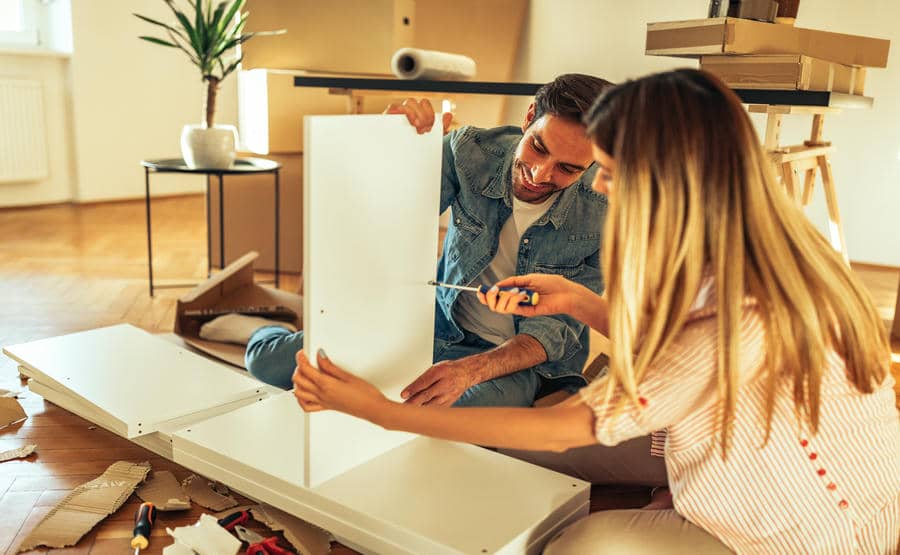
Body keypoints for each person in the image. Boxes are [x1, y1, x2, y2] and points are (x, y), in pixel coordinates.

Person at [292, 69, 899, 554]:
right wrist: (583, 303)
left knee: (572, 546)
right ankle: (665, 490)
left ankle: (675, 505)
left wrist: (383, 415)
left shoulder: (733, 316)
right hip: (722, 440)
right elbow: (682, 351)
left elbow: (572, 424)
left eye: (606, 171)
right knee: (501, 455)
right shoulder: (755, 241)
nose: (599, 187)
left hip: (807, 527)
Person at [202, 73, 615, 408]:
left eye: (567, 168)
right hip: (433, 326)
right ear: (528, 118)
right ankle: (261, 330)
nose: (540, 175)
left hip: (513, 364)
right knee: (268, 363)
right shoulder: (471, 151)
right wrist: (392, 141)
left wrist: (470, 371)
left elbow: (554, 330)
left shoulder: (605, 214)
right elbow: (385, 221)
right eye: (538, 148)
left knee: (431, 412)